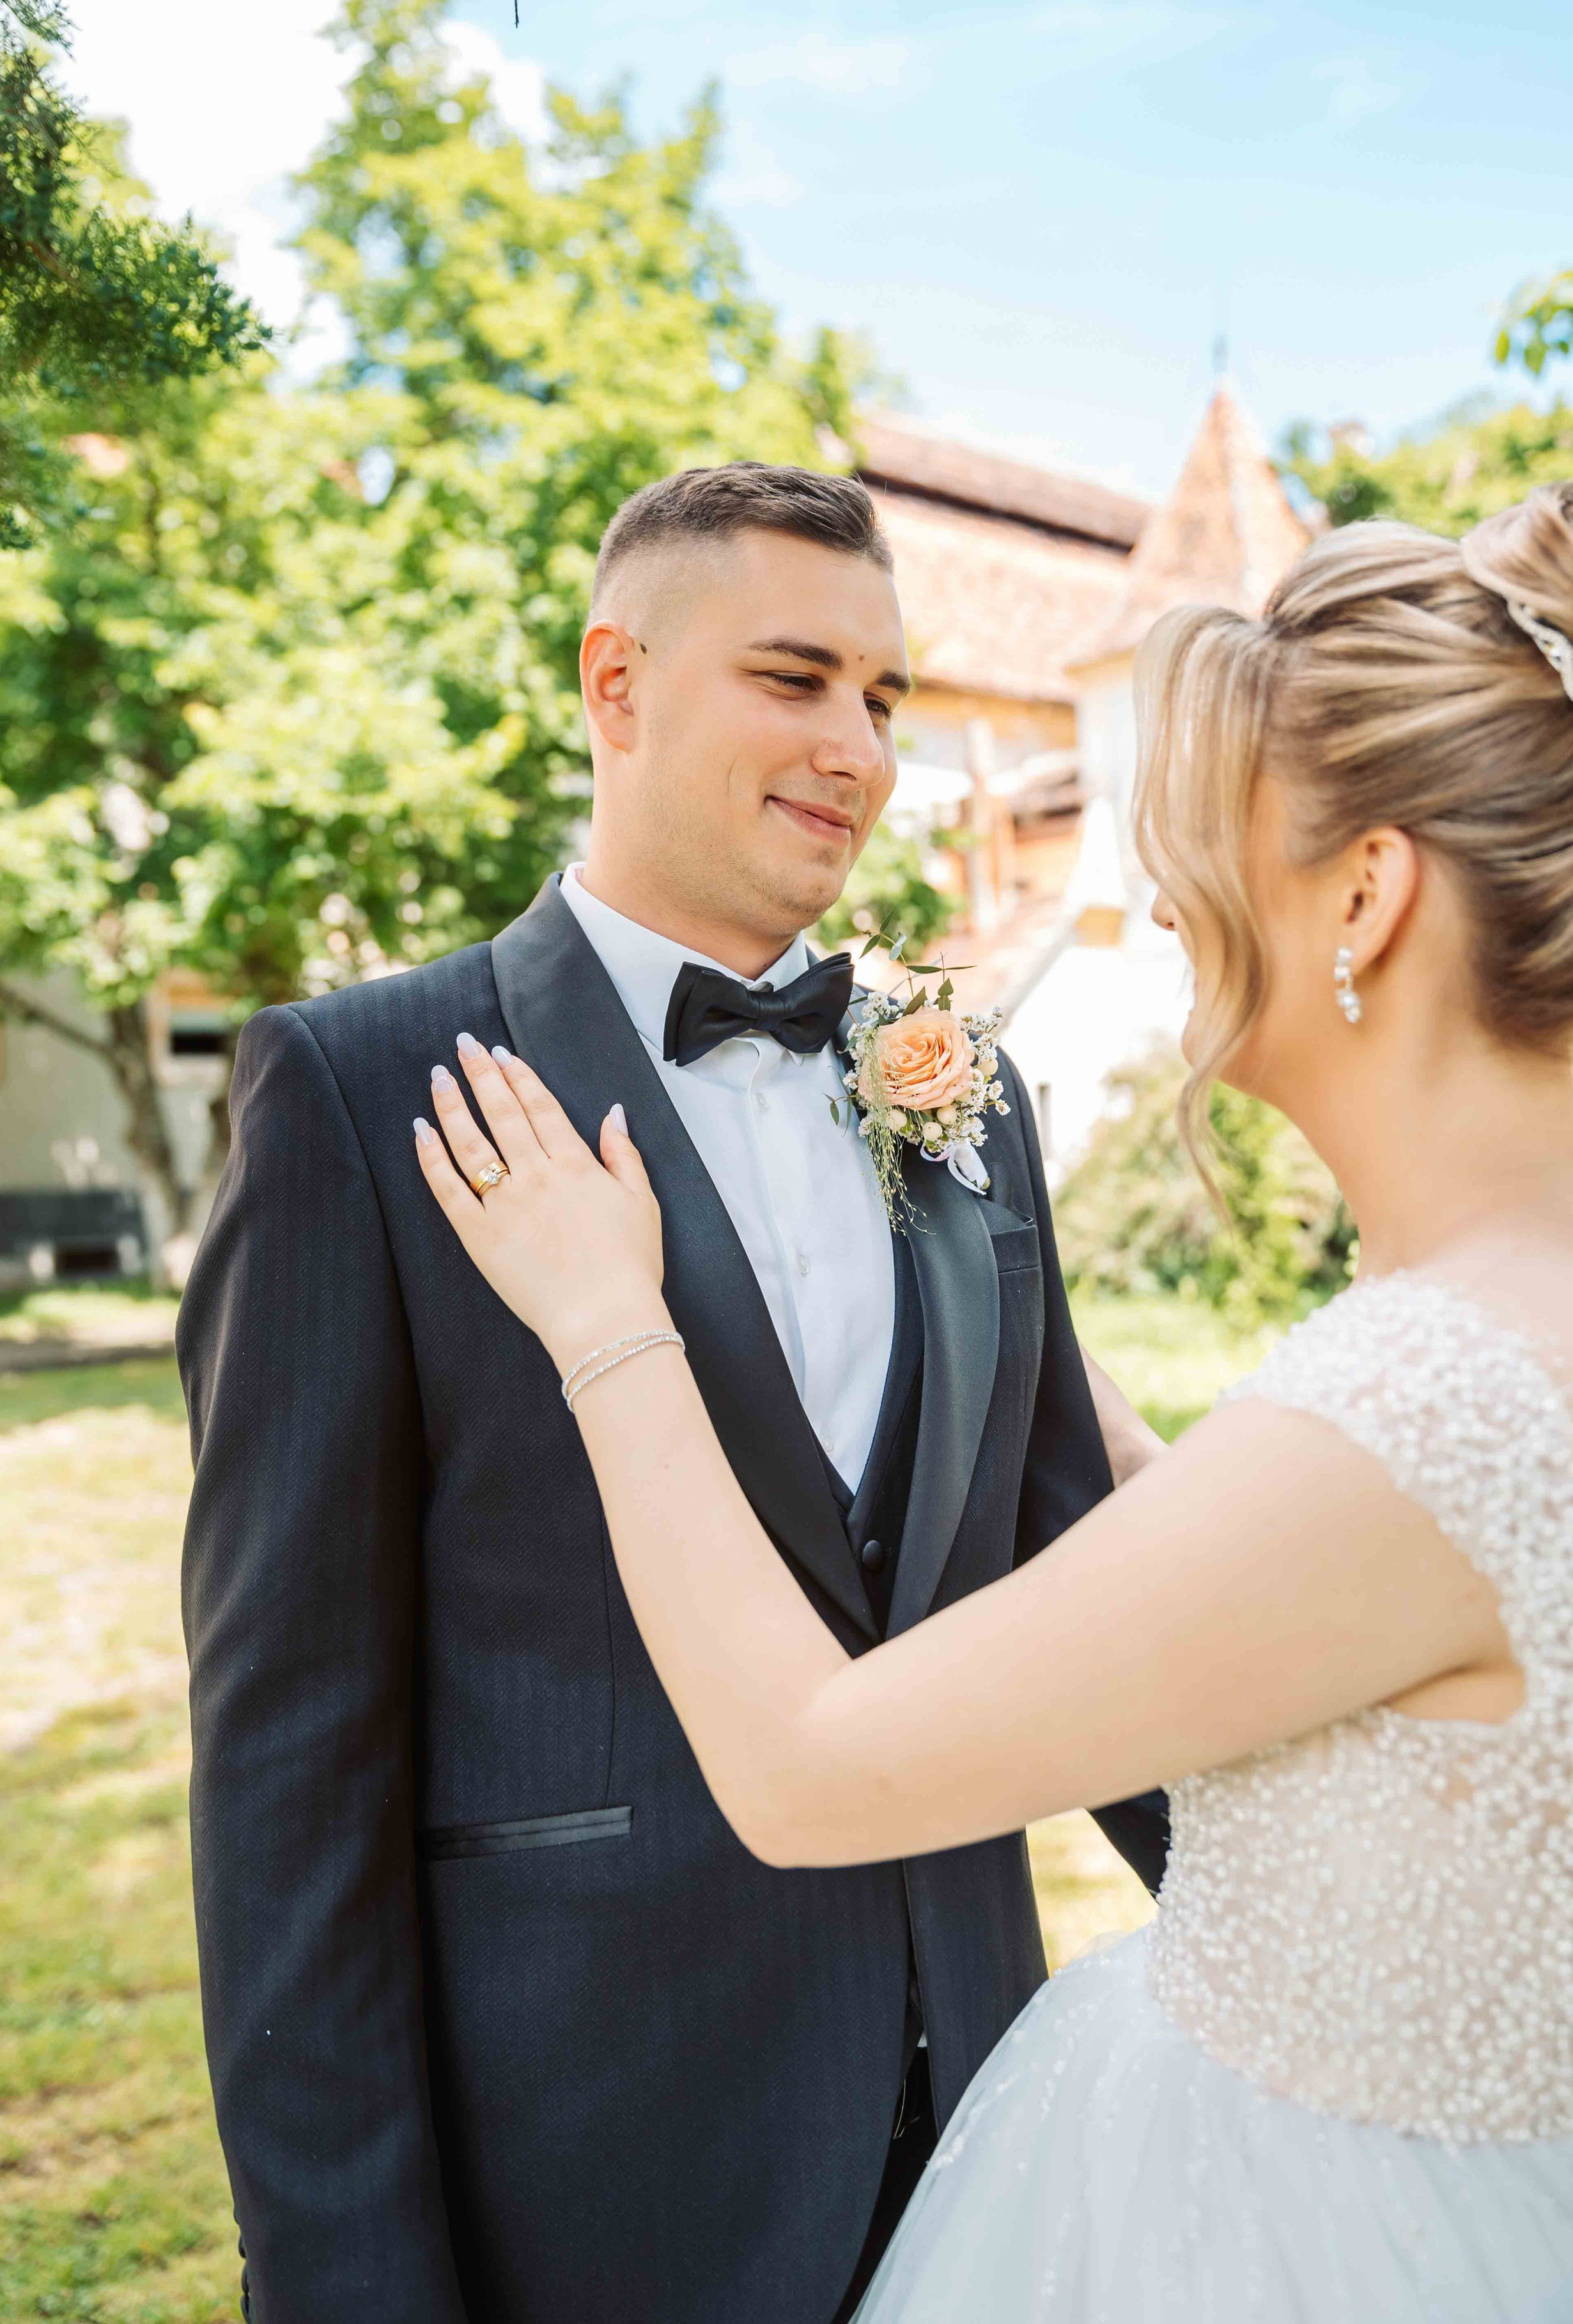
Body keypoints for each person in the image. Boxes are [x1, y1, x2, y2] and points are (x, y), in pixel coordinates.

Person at [415, 483, 1573, 2321]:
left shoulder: (1416, 1402)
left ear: (1367, 892)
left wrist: (606, 1323)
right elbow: (1248, 1591)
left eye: (1214, 848)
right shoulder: (1488, 1344)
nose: (1172, 900)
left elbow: (813, 1767)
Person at [177, 461, 1168, 2324]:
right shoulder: (366, 1091)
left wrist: (1329, 1915)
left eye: (884, 698)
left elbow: (1079, 1581)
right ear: (615, 686)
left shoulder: (969, 1095)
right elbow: (289, 1761)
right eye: (794, 680)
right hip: (593, 2167)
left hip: (992, 2141)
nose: (859, 750)